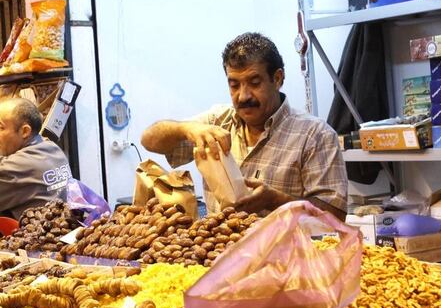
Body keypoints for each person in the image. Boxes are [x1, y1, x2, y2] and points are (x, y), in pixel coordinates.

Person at [141, 33, 349, 219]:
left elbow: (335, 215)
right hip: (221, 255)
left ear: (277, 79)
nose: (243, 96)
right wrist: (186, 129)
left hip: (287, 257)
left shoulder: (315, 135)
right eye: (234, 85)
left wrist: (275, 200)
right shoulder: (217, 121)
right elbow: (149, 140)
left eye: (255, 82)